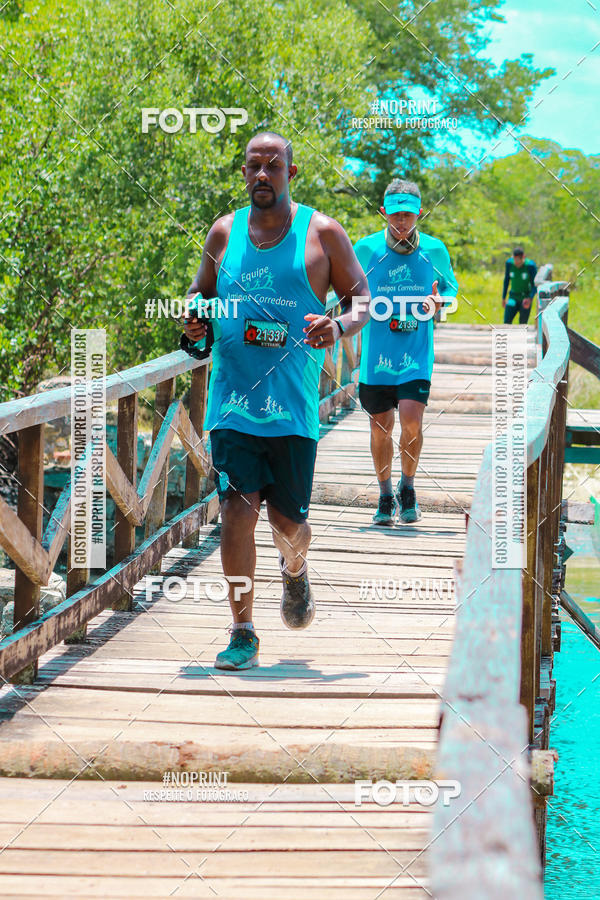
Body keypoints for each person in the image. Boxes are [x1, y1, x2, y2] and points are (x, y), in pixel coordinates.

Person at [181, 131, 370, 671]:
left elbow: (363, 300)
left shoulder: (323, 233)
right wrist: (193, 316)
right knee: (236, 513)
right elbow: (199, 293)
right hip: (232, 402)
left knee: (288, 525)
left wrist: (340, 325)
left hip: (292, 408)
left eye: (273, 165)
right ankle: (242, 631)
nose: (262, 174)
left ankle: (295, 569)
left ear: (292, 172)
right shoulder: (224, 232)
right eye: (253, 166)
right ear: (243, 172)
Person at [354, 179, 457, 526]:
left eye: (408, 215)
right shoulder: (366, 249)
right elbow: (345, 288)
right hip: (376, 357)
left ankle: (407, 487)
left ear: (419, 213)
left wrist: (439, 301)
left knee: (412, 422)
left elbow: (451, 290)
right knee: (380, 426)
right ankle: (385, 495)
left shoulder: (435, 250)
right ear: (383, 212)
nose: (401, 222)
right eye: (396, 214)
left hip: (416, 353)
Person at [502, 247, 537, 324]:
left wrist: (530, 298)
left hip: (525, 298)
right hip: (513, 296)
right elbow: (506, 280)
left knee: (522, 324)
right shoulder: (509, 263)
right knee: (506, 322)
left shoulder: (530, 266)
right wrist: (503, 297)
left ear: (523, 257)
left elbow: (535, 285)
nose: (516, 263)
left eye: (518, 260)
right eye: (514, 260)